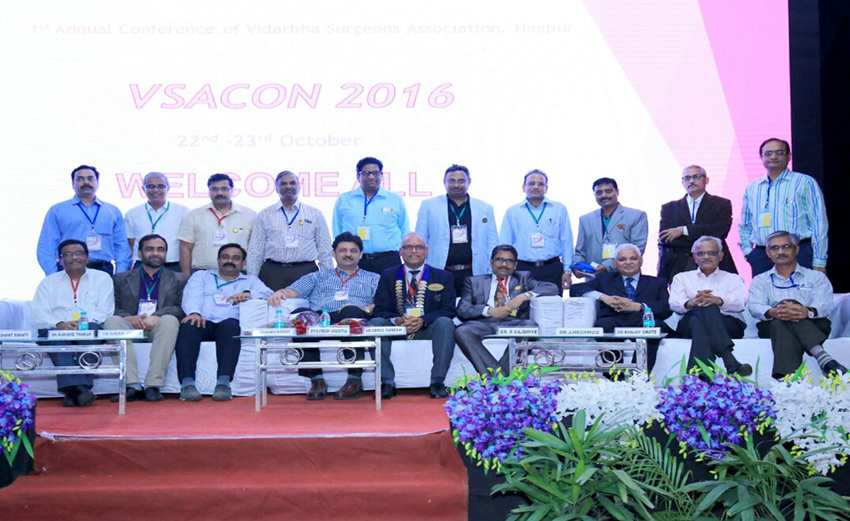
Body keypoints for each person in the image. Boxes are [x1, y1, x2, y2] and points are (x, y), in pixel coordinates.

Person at [268, 232, 380, 400]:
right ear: (334, 253)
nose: (348, 254)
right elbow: (293, 290)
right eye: (343, 250)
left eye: (353, 251)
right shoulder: (318, 276)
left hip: (353, 315)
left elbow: (382, 302)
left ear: (361, 254)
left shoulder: (373, 278)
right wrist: (281, 293)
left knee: (350, 313)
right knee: (300, 316)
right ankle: (316, 380)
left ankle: (354, 380)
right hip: (321, 318)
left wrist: (366, 309)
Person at [176, 243, 272, 401]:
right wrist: (194, 312)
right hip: (203, 322)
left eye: (236, 258)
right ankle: (187, 384)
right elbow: (191, 295)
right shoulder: (202, 276)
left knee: (230, 325)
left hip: (228, 326)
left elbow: (269, 294)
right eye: (225, 257)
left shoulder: (250, 280)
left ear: (243, 263)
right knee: (189, 324)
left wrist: (249, 294)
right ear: (218, 259)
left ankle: (223, 383)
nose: (230, 261)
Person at [371, 232, 457, 399]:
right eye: (408, 247)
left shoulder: (443, 276)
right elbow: (380, 309)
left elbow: (449, 309)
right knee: (375, 323)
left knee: (445, 323)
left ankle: (437, 381)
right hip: (397, 328)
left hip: (427, 327)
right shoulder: (388, 275)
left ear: (426, 251)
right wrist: (397, 320)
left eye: (418, 247)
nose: (413, 251)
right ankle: (386, 382)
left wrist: (423, 321)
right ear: (400, 251)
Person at [748, 231, 844, 379]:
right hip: (771, 325)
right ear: (768, 253)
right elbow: (755, 306)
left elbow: (825, 305)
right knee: (780, 320)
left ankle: (788, 381)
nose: (780, 251)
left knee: (782, 320)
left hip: (814, 324)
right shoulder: (759, 280)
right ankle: (823, 358)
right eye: (774, 248)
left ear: (796, 249)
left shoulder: (816, 277)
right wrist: (774, 312)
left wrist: (806, 311)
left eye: (786, 246)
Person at [104, 234, 188, 402]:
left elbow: (182, 308)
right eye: (150, 249)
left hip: (159, 326)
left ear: (166, 253)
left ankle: (153, 385)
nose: (155, 253)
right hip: (130, 326)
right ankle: (131, 384)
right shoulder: (120, 278)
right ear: (139, 253)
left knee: (170, 320)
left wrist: (157, 316)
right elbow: (111, 306)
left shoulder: (180, 279)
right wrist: (129, 317)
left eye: (160, 249)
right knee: (111, 321)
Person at [30, 239, 115, 407]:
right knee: (56, 337)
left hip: (89, 325)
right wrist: (59, 323)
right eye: (68, 254)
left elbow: (105, 310)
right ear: (60, 260)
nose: (74, 257)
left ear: (87, 257)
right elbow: (37, 314)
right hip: (56, 328)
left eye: (79, 253)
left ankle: (72, 391)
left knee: (90, 332)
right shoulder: (48, 282)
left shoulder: (102, 278)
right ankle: (81, 390)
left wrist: (81, 323)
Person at [454, 244, 560, 375]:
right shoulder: (474, 281)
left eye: (509, 261)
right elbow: (462, 309)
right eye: (499, 260)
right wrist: (489, 311)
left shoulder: (523, 278)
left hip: (512, 323)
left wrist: (523, 296)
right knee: (462, 330)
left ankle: (495, 377)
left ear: (515, 265)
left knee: (530, 326)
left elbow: (552, 287)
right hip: (483, 322)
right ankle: (502, 376)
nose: (504, 264)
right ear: (491, 262)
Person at [570, 243, 671, 372]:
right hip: (614, 320)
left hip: (642, 321)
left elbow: (665, 308)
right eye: (622, 259)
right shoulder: (604, 279)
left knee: (653, 327)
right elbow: (575, 289)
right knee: (603, 325)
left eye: (633, 258)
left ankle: (638, 376)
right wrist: (604, 297)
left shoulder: (657, 282)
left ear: (641, 261)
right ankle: (615, 376)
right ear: (614, 263)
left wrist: (639, 307)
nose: (628, 262)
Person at [739, 138, 828, 277]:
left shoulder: (804, 182)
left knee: (801, 292)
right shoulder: (752, 188)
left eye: (779, 152)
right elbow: (745, 224)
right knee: (764, 292)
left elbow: (818, 223)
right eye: (768, 153)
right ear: (761, 157)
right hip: (763, 256)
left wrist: (819, 261)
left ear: (788, 156)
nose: (773, 157)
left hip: (798, 253)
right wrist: (749, 252)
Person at [669, 236, 751, 376]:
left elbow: (740, 303)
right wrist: (692, 302)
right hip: (687, 326)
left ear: (721, 255)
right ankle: (729, 359)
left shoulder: (733, 279)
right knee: (702, 310)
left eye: (712, 253)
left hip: (728, 325)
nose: (706, 257)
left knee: (700, 317)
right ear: (694, 257)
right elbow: (674, 304)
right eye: (701, 253)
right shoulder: (681, 278)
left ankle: (700, 373)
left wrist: (718, 300)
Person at [415, 164, 499, 294]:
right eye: (451, 181)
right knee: (440, 306)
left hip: (474, 272)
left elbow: (492, 241)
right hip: (440, 270)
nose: (456, 185)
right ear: (444, 182)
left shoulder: (484, 208)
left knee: (475, 306)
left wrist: (490, 268)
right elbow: (420, 239)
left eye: (461, 181)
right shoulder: (429, 206)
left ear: (469, 181)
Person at [37, 165, 132, 276]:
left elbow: (121, 246)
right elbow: (46, 246)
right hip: (69, 269)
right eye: (80, 179)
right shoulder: (58, 211)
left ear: (97, 183)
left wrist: (120, 276)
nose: (86, 182)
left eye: (90, 178)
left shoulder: (112, 211)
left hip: (103, 270)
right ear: (72, 184)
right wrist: (53, 275)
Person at [246, 170, 333, 290]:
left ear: (299, 187)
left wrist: (328, 279)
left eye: (292, 183)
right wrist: (251, 282)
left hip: (306, 271)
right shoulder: (265, 214)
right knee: (271, 302)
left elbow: (325, 249)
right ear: (276, 189)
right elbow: (255, 251)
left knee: (306, 303)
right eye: (283, 184)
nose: (288, 186)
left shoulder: (315, 214)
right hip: (273, 272)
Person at [658, 165, 737, 282]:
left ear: (706, 180)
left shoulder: (721, 204)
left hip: (715, 264)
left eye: (696, 176)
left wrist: (684, 231)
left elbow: (720, 231)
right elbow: (666, 237)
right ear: (682, 182)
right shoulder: (669, 208)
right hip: (680, 264)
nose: (691, 181)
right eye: (687, 178)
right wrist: (703, 234)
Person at [332, 157, 409, 274]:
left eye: (376, 173)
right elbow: (337, 230)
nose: (371, 177)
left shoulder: (395, 200)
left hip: (389, 260)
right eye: (366, 173)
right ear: (358, 176)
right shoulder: (344, 199)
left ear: (381, 175)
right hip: (354, 260)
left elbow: (404, 229)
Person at [500, 169, 573, 293]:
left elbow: (566, 241)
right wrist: (504, 270)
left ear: (546, 188)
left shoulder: (559, 209)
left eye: (540, 184)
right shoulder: (513, 212)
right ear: (523, 187)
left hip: (552, 268)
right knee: (522, 304)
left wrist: (567, 270)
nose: (536, 187)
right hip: (522, 269)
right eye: (531, 183)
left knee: (551, 304)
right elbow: (505, 243)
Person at [177, 173, 257, 275]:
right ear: (209, 191)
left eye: (224, 189)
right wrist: (186, 276)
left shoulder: (249, 215)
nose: (219, 193)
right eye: (214, 189)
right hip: (202, 275)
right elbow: (185, 247)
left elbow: (256, 249)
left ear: (232, 190)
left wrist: (252, 275)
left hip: (239, 275)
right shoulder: (194, 215)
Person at [573, 177, 648, 277]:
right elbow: (580, 251)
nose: (604, 195)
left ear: (617, 192)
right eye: (599, 192)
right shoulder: (585, 219)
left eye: (608, 191)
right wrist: (577, 266)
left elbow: (637, 249)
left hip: (625, 276)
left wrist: (606, 266)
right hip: (594, 277)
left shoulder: (636, 216)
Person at [123, 172, 190, 272]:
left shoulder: (182, 211)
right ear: (143, 189)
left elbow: (186, 244)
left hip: (172, 267)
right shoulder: (132, 213)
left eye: (161, 186)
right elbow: (131, 244)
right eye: (150, 186)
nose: (155, 190)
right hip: (142, 267)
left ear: (168, 188)